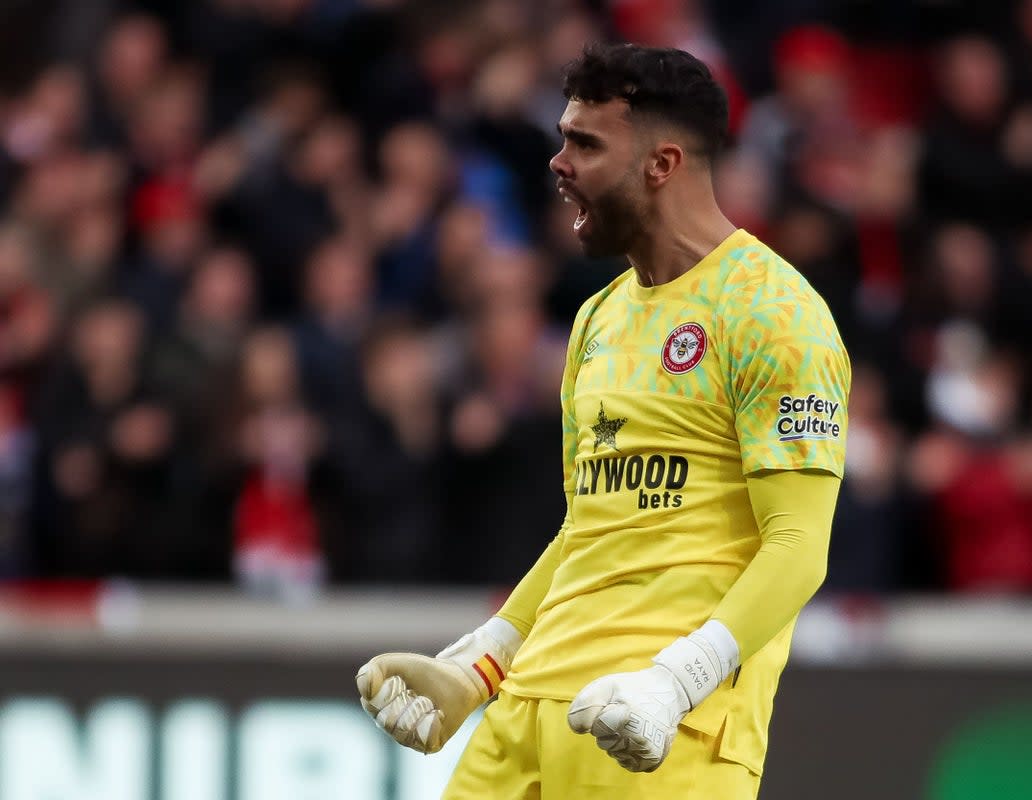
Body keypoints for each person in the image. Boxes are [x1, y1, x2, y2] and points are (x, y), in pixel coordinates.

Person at [356, 42, 850, 798]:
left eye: (584, 144)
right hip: (529, 709)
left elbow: (797, 547)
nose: (557, 162)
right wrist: (480, 664)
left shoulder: (776, 314)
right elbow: (588, 528)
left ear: (663, 163)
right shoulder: (597, 317)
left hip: (660, 729)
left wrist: (674, 683)